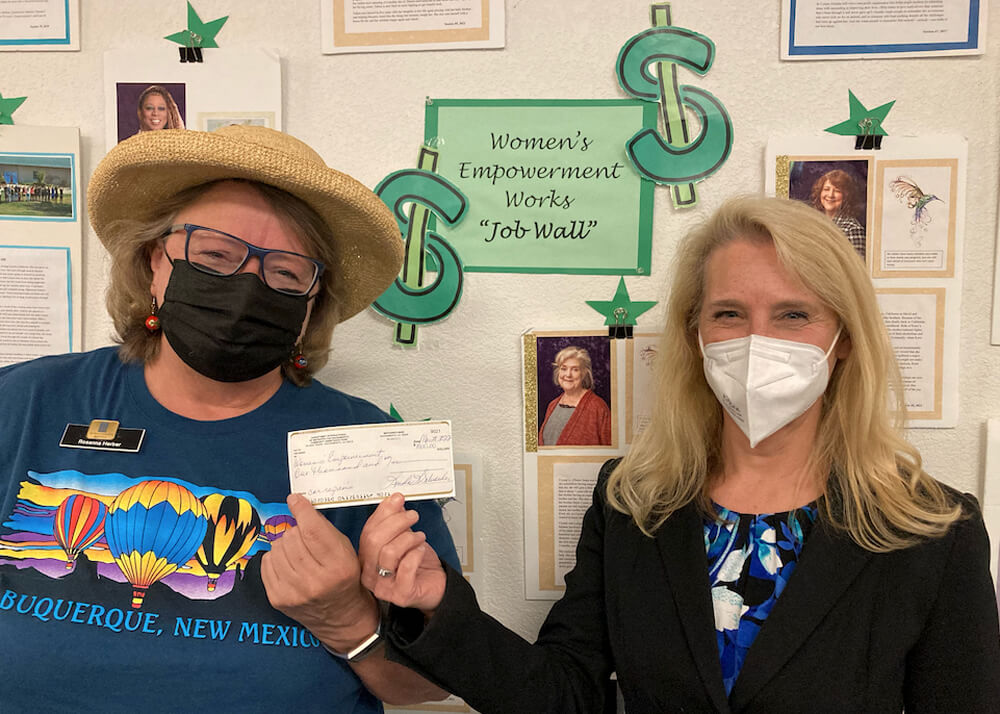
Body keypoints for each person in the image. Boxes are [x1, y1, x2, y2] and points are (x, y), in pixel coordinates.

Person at [361, 196, 1000, 713]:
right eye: (728, 313)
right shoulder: (633, 502)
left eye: (794, 314)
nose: (757, 342)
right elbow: (566, 694)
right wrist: (440, 607)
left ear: (846, 341)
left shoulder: (933, 532)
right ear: (696, 334)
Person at [0, 125, 459, 712]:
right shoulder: (28, 401)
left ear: (311, 305)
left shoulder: (372, 448)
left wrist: (347, 620)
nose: (247, 286)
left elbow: (426, 685)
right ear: (153, 262)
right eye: (214, 254)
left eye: (288, 273)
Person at [538, 346, 612, 446]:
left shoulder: (598, 407)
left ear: (584, 373)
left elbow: (611, 453)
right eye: (564, 368)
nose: (568, 374)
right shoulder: (552, 405)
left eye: (575, 369)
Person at [809, 169, 865, 260]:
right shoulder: (814, 223)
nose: (830, 195)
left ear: (846, 196)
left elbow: (856, 269)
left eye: (837, 191)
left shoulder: (852, 228)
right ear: (820, 193)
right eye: (826, 189)